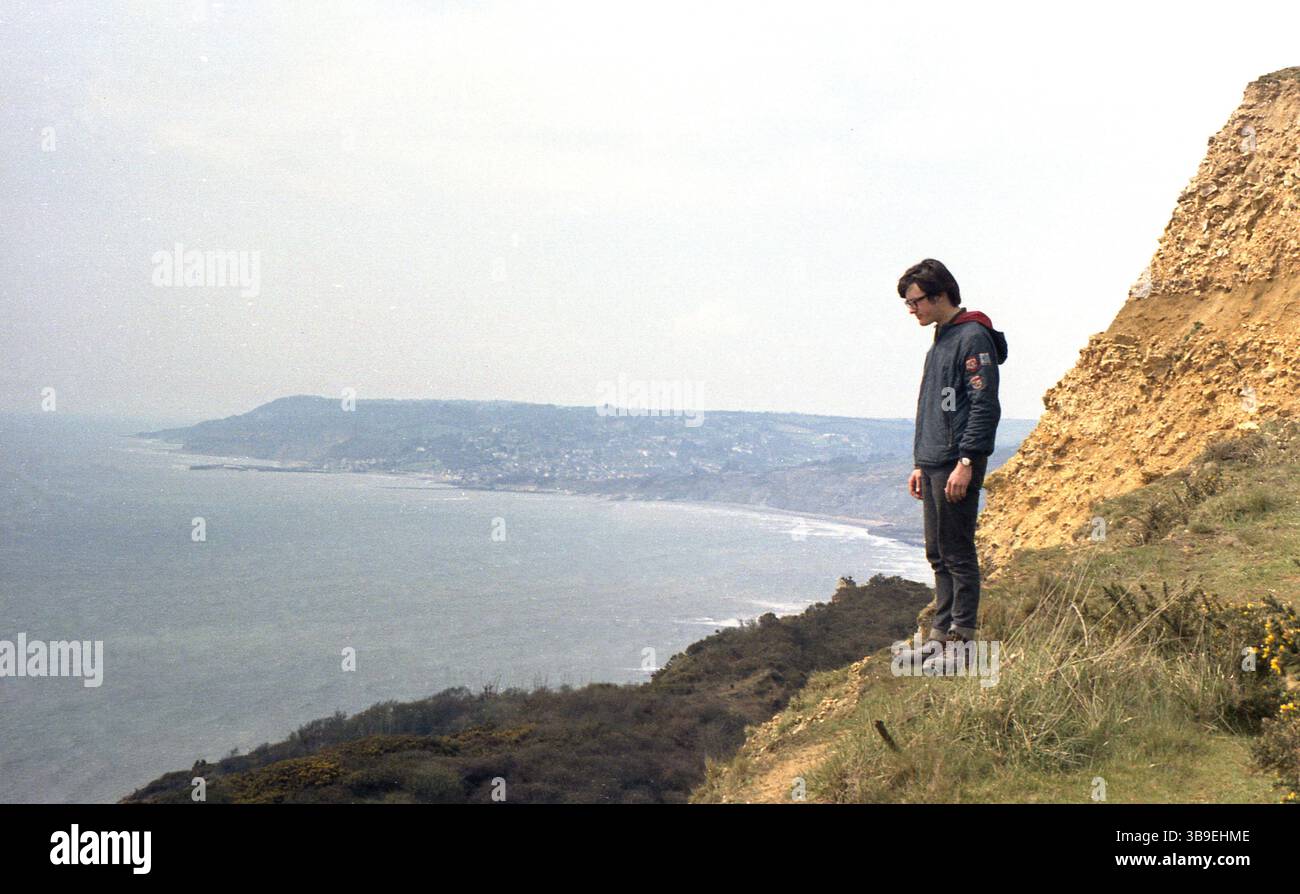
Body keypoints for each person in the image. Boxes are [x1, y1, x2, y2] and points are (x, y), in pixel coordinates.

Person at [897, 259, 1007, 671]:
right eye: (909, 304)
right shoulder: (943, 336)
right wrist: (921, 463)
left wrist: (966, 461)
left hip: (957, 461)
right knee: (938, 552)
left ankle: (963, 643)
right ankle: (940, 638)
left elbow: (983, 406)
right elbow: (937, 406)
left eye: (915, 302)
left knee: (958, 552)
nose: (913, 310)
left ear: (939, 295)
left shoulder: (973, 336)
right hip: (935, 461)